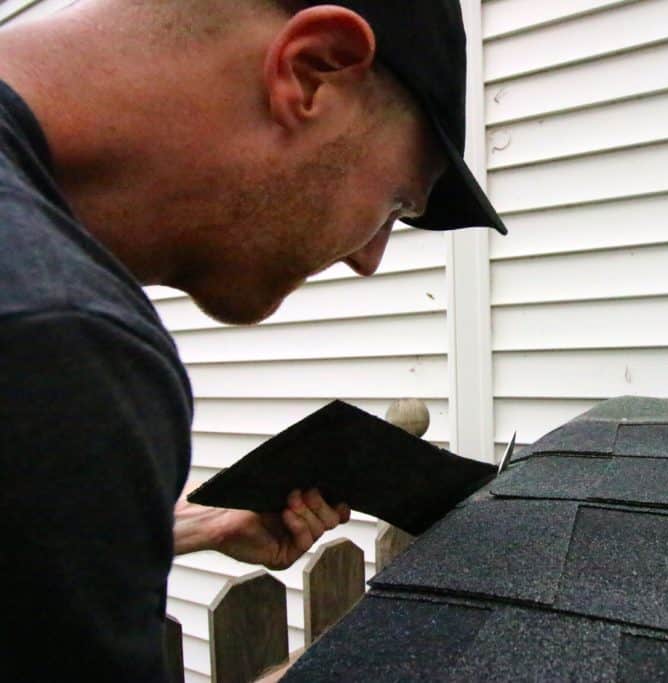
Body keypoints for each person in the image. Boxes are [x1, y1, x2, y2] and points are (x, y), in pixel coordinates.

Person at [0, 0, 506, 679]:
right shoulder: (60, 340)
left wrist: (187, 523)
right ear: (311, 72)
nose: (369, 259)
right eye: (396, 204)